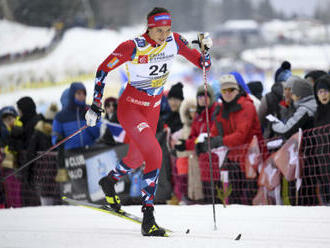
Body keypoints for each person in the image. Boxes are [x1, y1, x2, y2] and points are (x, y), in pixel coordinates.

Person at [85, 7, 213, 236]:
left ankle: (108, 181)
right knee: (155, 153)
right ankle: (149, 215)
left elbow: (203, 65)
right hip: (131, 107)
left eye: (167, 30)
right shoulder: (133, 46)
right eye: (159, 31)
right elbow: (103, 69)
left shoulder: (175, 41)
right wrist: (96, 104)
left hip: (152, 109)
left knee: (136, 157)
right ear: (149, 27)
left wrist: (206, 52)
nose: (163, 35)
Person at [196, 74, 263, 204]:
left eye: (231, 90)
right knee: (233, 197)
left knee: (249, 198)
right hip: (234, 158)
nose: (227, 93)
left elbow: (241, 135)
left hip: (251, 157)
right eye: (224, 91)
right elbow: (215, 131)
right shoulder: (221, 109)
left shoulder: (246, 106)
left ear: (238, 90)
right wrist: (205, 144)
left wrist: (220, 141)